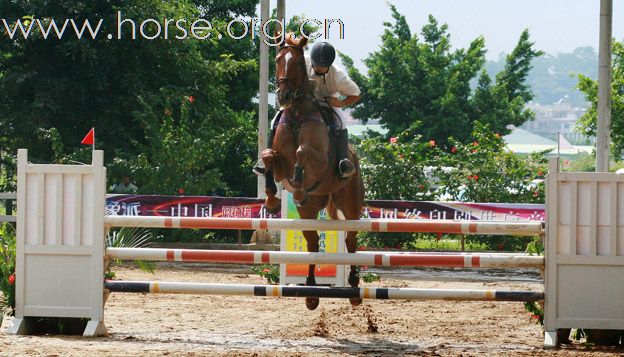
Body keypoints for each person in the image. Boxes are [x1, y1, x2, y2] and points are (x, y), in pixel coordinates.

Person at [253, 41, 360, 179]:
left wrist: (340, 103)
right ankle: (267, 156)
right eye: (317, 65)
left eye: (323, 67)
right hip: (302, 100)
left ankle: (342, 160)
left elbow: (356, 94)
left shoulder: (338, 75)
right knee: (276, 119)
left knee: (341, 122)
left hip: (326, 102)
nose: (319, 68)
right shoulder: (304, 61)